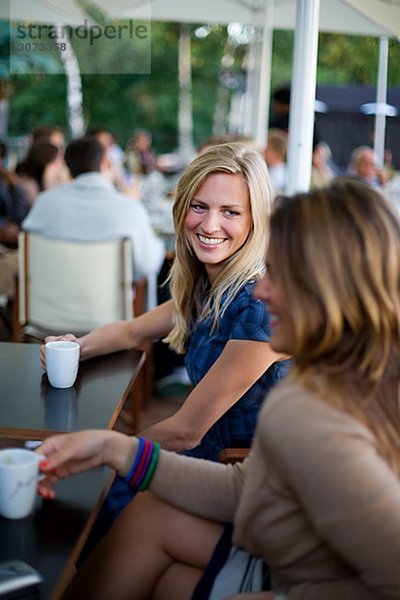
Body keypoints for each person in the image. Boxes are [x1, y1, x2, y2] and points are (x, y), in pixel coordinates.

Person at [37, 178, 400, 599]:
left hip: (300, 573)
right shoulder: (335, 379)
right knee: (149, 525)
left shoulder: (318, 412)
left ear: (333, 287)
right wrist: (110, 448)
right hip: (289, 547)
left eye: (279, 275)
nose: (263, 289)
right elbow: (246, 488)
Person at [40, 142, 289, 529]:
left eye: (230, 212)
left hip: (245, 478)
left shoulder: (259, 304)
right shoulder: (210, 285)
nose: (209, 226)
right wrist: (73, 347)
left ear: (255, 221)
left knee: (91, 502)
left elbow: (185, 431)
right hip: (209, 457)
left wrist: (101, 456)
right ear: (182, 207)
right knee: (81, 505)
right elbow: (132, 330)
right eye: (199, 206)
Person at [22, 135, 165, 309]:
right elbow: (147, 265)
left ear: (67, 167)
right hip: (110, 316)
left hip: (48, 314)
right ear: (105, 161)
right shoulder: (129, 209)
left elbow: (28, 253)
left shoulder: (44, 204)